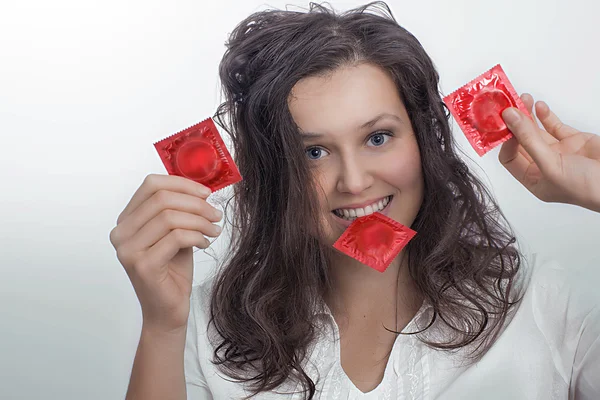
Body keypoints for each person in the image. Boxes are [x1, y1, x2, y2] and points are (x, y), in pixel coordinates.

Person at [109, 2, 600, 399]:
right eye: (314, 152)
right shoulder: (205, 324)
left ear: (425, 141)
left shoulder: (541, 302)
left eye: (378, 137)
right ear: (272, 173)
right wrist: (162, 327)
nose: (355, 181)